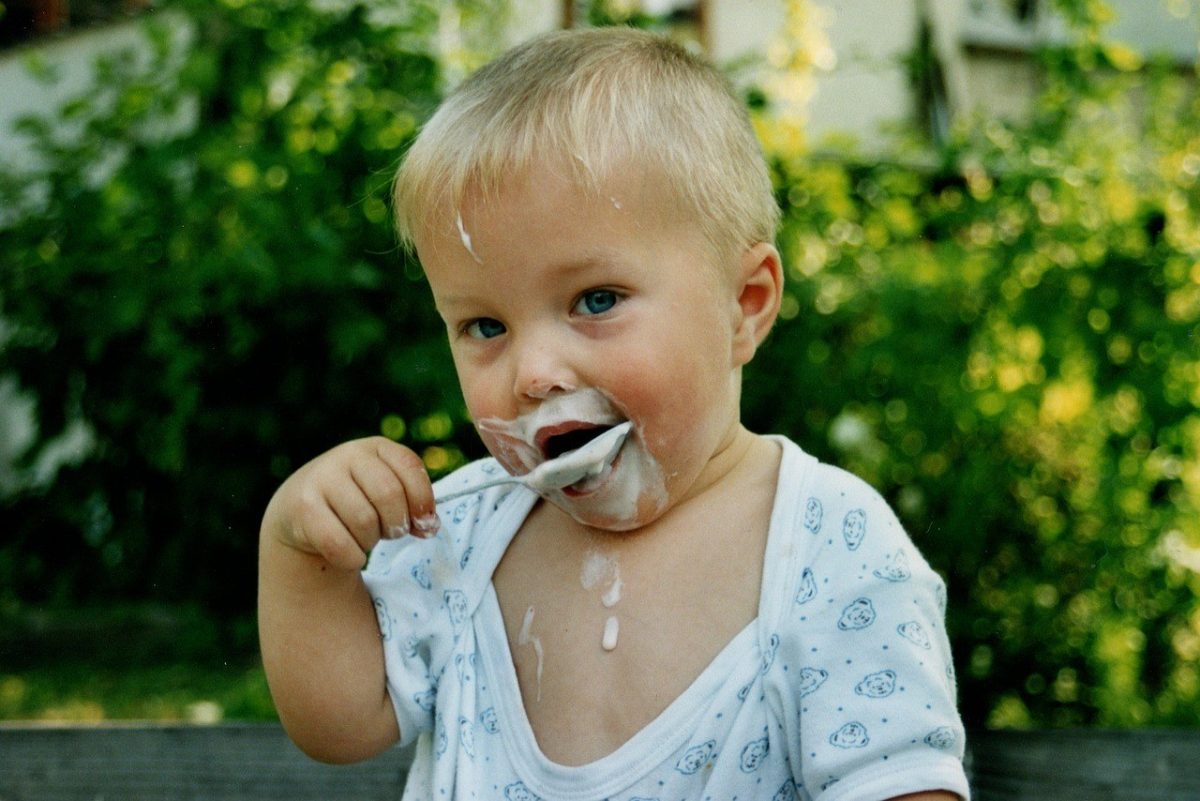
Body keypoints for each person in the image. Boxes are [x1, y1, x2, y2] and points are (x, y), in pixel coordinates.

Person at [258, 25, 970, 801]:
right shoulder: (464, 533)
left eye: (596, 301)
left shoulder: (828, 545)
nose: (533, 373)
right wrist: (302, 555)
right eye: (485, 327)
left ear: (744, 305)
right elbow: (337, 724)